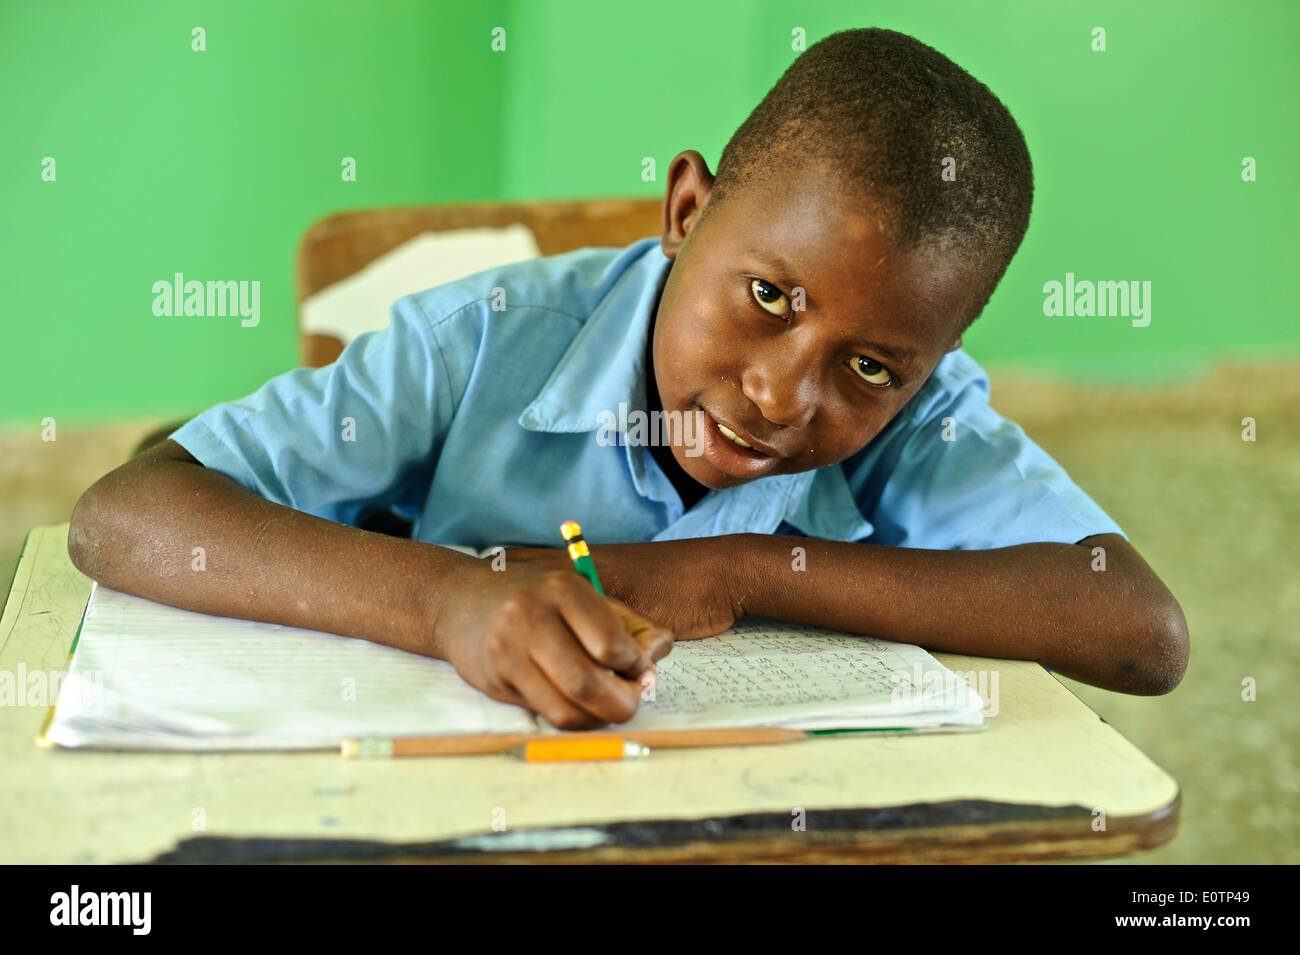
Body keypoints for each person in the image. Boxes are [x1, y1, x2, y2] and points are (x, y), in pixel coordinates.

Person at [68, 28, 1188, 730]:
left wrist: (743, 571)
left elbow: (1138, 629)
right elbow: (125, 515)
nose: (783, 397)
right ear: (686, 211)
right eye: (768, 296)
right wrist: (453, 600)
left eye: (869, 366)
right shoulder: (482, 340)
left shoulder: (920, 412)